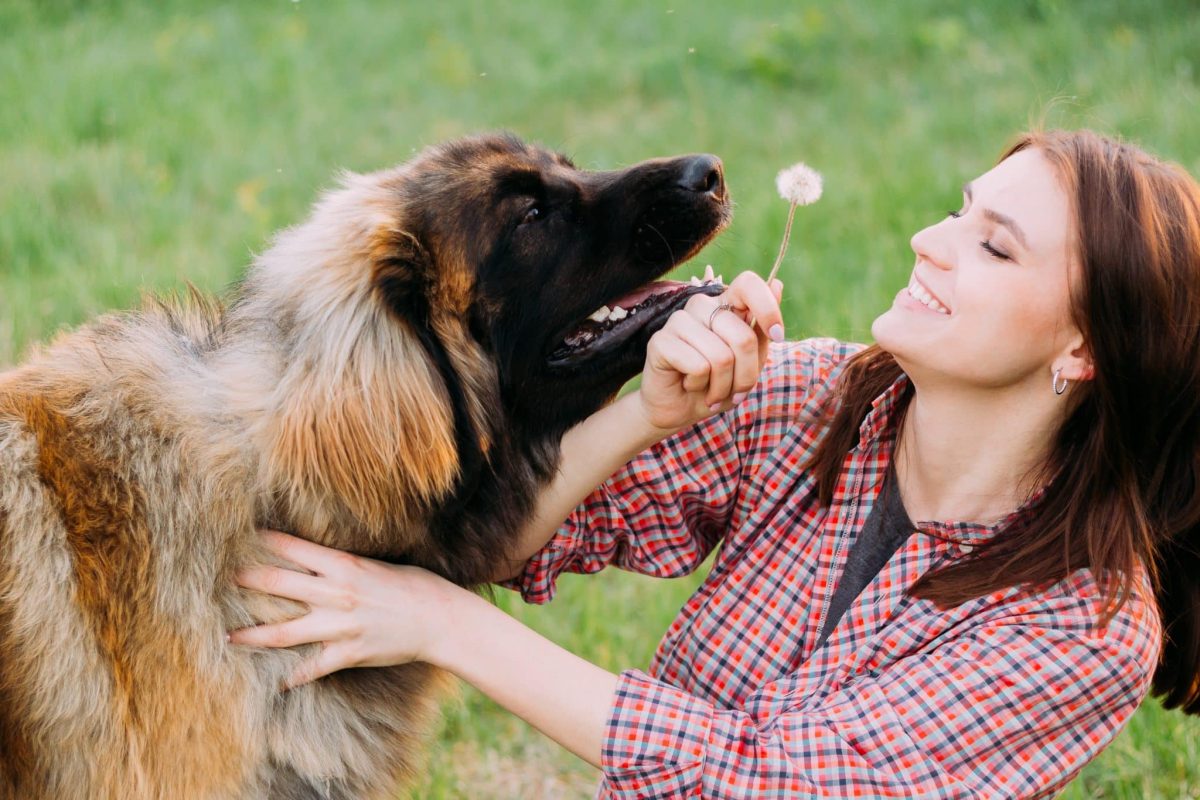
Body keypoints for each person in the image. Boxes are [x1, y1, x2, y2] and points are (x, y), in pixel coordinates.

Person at [230, 129, 1200, 798]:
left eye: (992, 246)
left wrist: (444, 626)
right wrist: (646, 416)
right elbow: (502, 542)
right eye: (958, 210)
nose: (929, 242)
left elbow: (770, 780)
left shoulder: (1084, 628)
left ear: (1083, 350)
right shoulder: (819, 399)